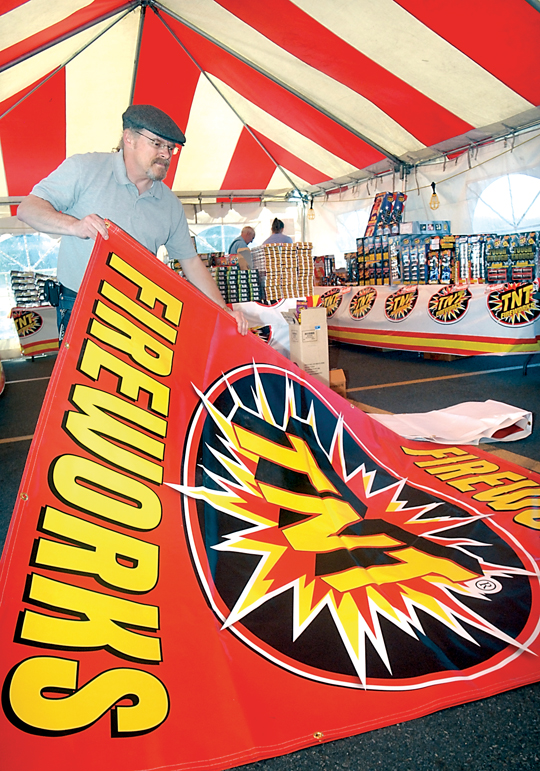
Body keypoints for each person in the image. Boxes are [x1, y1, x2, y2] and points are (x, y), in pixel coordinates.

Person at [17, 104, 248, 339]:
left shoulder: (169, 204)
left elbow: (190, 262)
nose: (166, 154)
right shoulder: (85, 169)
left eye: (171, 147)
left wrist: (225, 310)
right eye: (157, 143)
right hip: (80, 305)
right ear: (129, 138)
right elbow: (28, 209)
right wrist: (74, 226)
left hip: (137, 313)